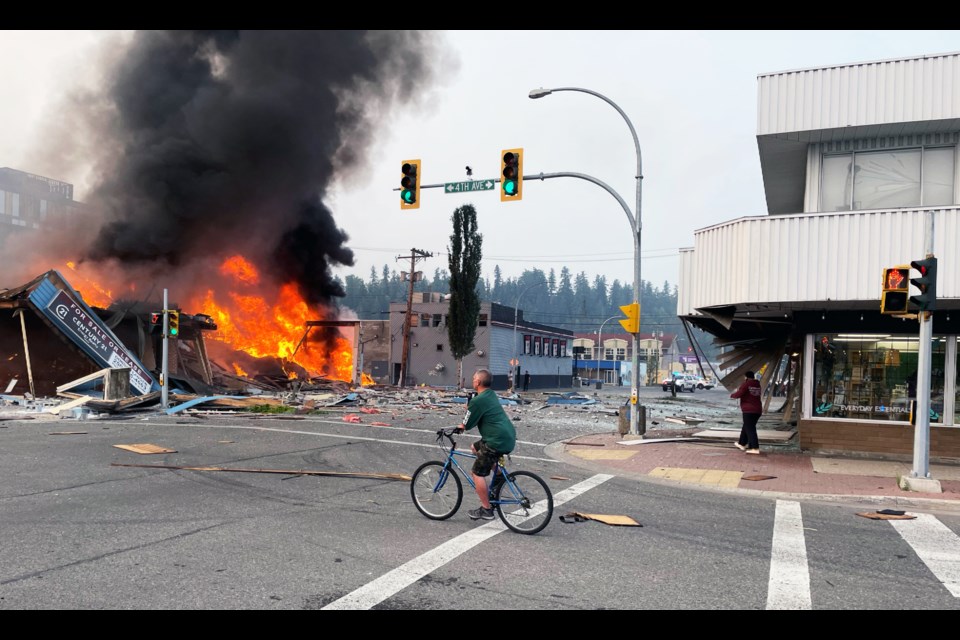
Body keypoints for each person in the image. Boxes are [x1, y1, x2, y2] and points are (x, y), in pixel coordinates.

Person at [456, 369, 517, 521]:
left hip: (495, 440)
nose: (473, 379)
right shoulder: (490, 394)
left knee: (477, 473)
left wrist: (460, 426)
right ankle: (499, 477)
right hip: (506, 436)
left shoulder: (477, 400)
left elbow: (467, 424)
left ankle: (486, 509)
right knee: (475, 447)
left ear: (477, 382)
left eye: (474, 377)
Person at [731, 370, 763, 454]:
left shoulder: (746, 384)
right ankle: (742, 443)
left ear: (746, 377)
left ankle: (754, 448)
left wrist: (732, 395)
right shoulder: (757, 384)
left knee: (750, 428)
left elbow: (739, 394)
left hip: (749, 410)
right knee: (746, 426)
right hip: (758, 410)